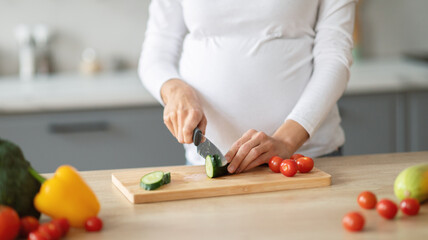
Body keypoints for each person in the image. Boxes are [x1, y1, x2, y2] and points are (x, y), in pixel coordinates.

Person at [139, 0, 356, 174]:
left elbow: (334, 55)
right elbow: (157, 53)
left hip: (305, 160)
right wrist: (175, 90)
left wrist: (286, 140)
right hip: (208, 165)